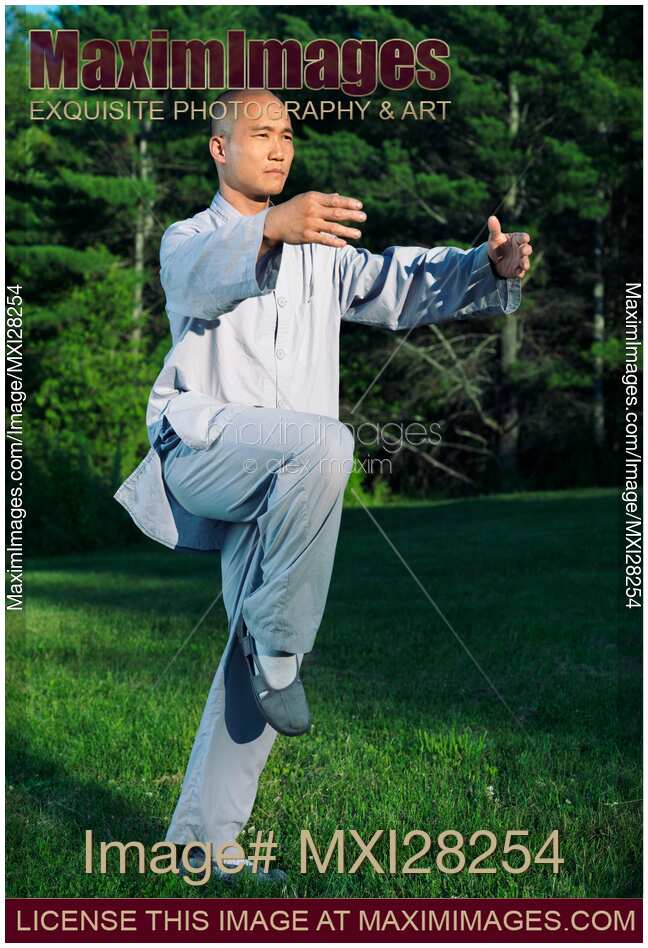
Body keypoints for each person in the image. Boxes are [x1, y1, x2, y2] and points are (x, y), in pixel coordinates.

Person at [113, 87, 532, 883]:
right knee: (325, 446)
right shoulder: (187, 238)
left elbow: (398, 284)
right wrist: (271, 225)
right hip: (201, 451)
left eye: (288, 135)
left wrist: (485, 266)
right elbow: (200, 279)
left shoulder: (318, 254)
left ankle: (203, 845)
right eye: (261, 133)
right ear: (218, 147)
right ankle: (281, 643)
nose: (278, 148)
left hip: (286, 488)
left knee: (257, 666)